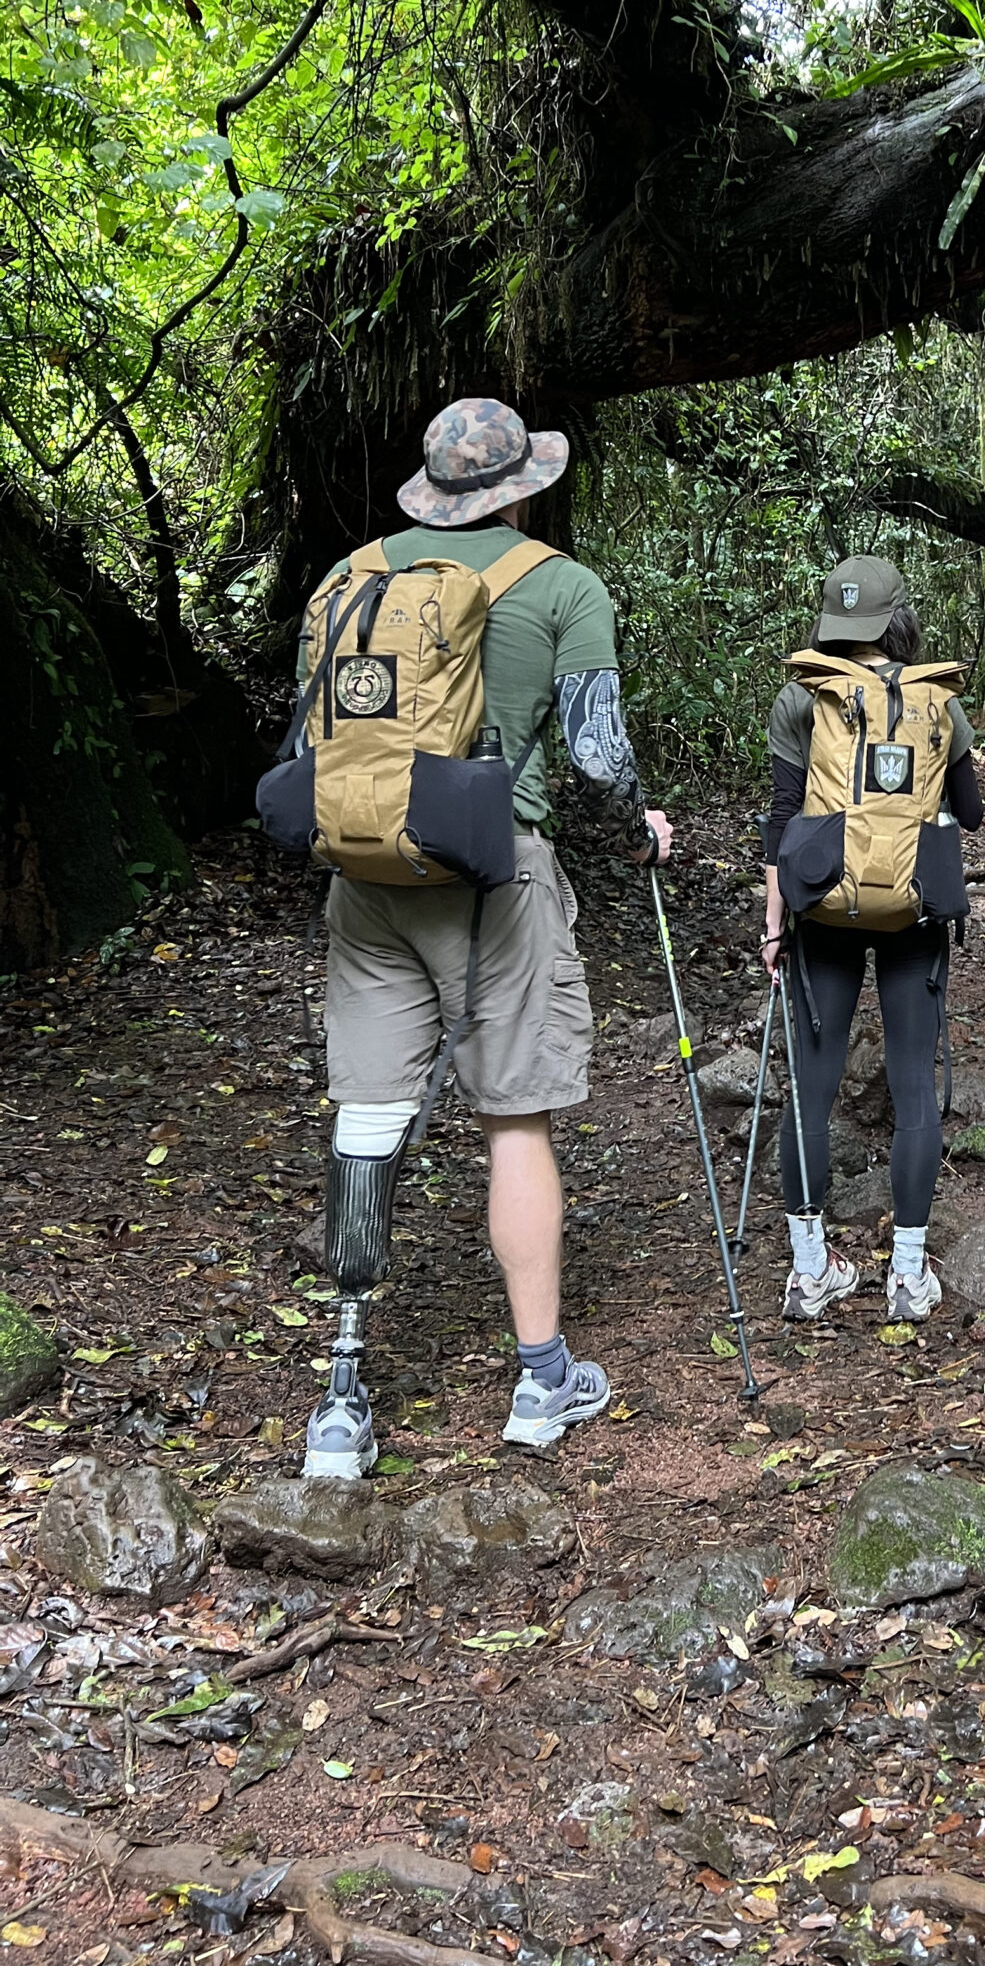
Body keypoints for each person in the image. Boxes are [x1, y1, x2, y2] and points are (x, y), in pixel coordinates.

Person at [295, 398, 674, 1477]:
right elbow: (598, 757)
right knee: (515, 1117)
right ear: (522, 485)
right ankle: (543, 1376)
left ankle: (342, 1397)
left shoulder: (348, 576)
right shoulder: (560, 584)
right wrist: (641, 832)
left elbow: (312, 734)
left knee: (366, 1116)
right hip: (497, 873)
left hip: (367, 872)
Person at [761, 558, 984, 1325]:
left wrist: (772, 921)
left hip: (821, 909)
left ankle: (811, 1270)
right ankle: (908, 1278)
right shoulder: (937, 703)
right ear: (900, 621)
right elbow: (972, 812)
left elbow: (783, 816)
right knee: (913, 1088)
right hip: (915, 911)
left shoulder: (804, 697)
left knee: (811, 1092)